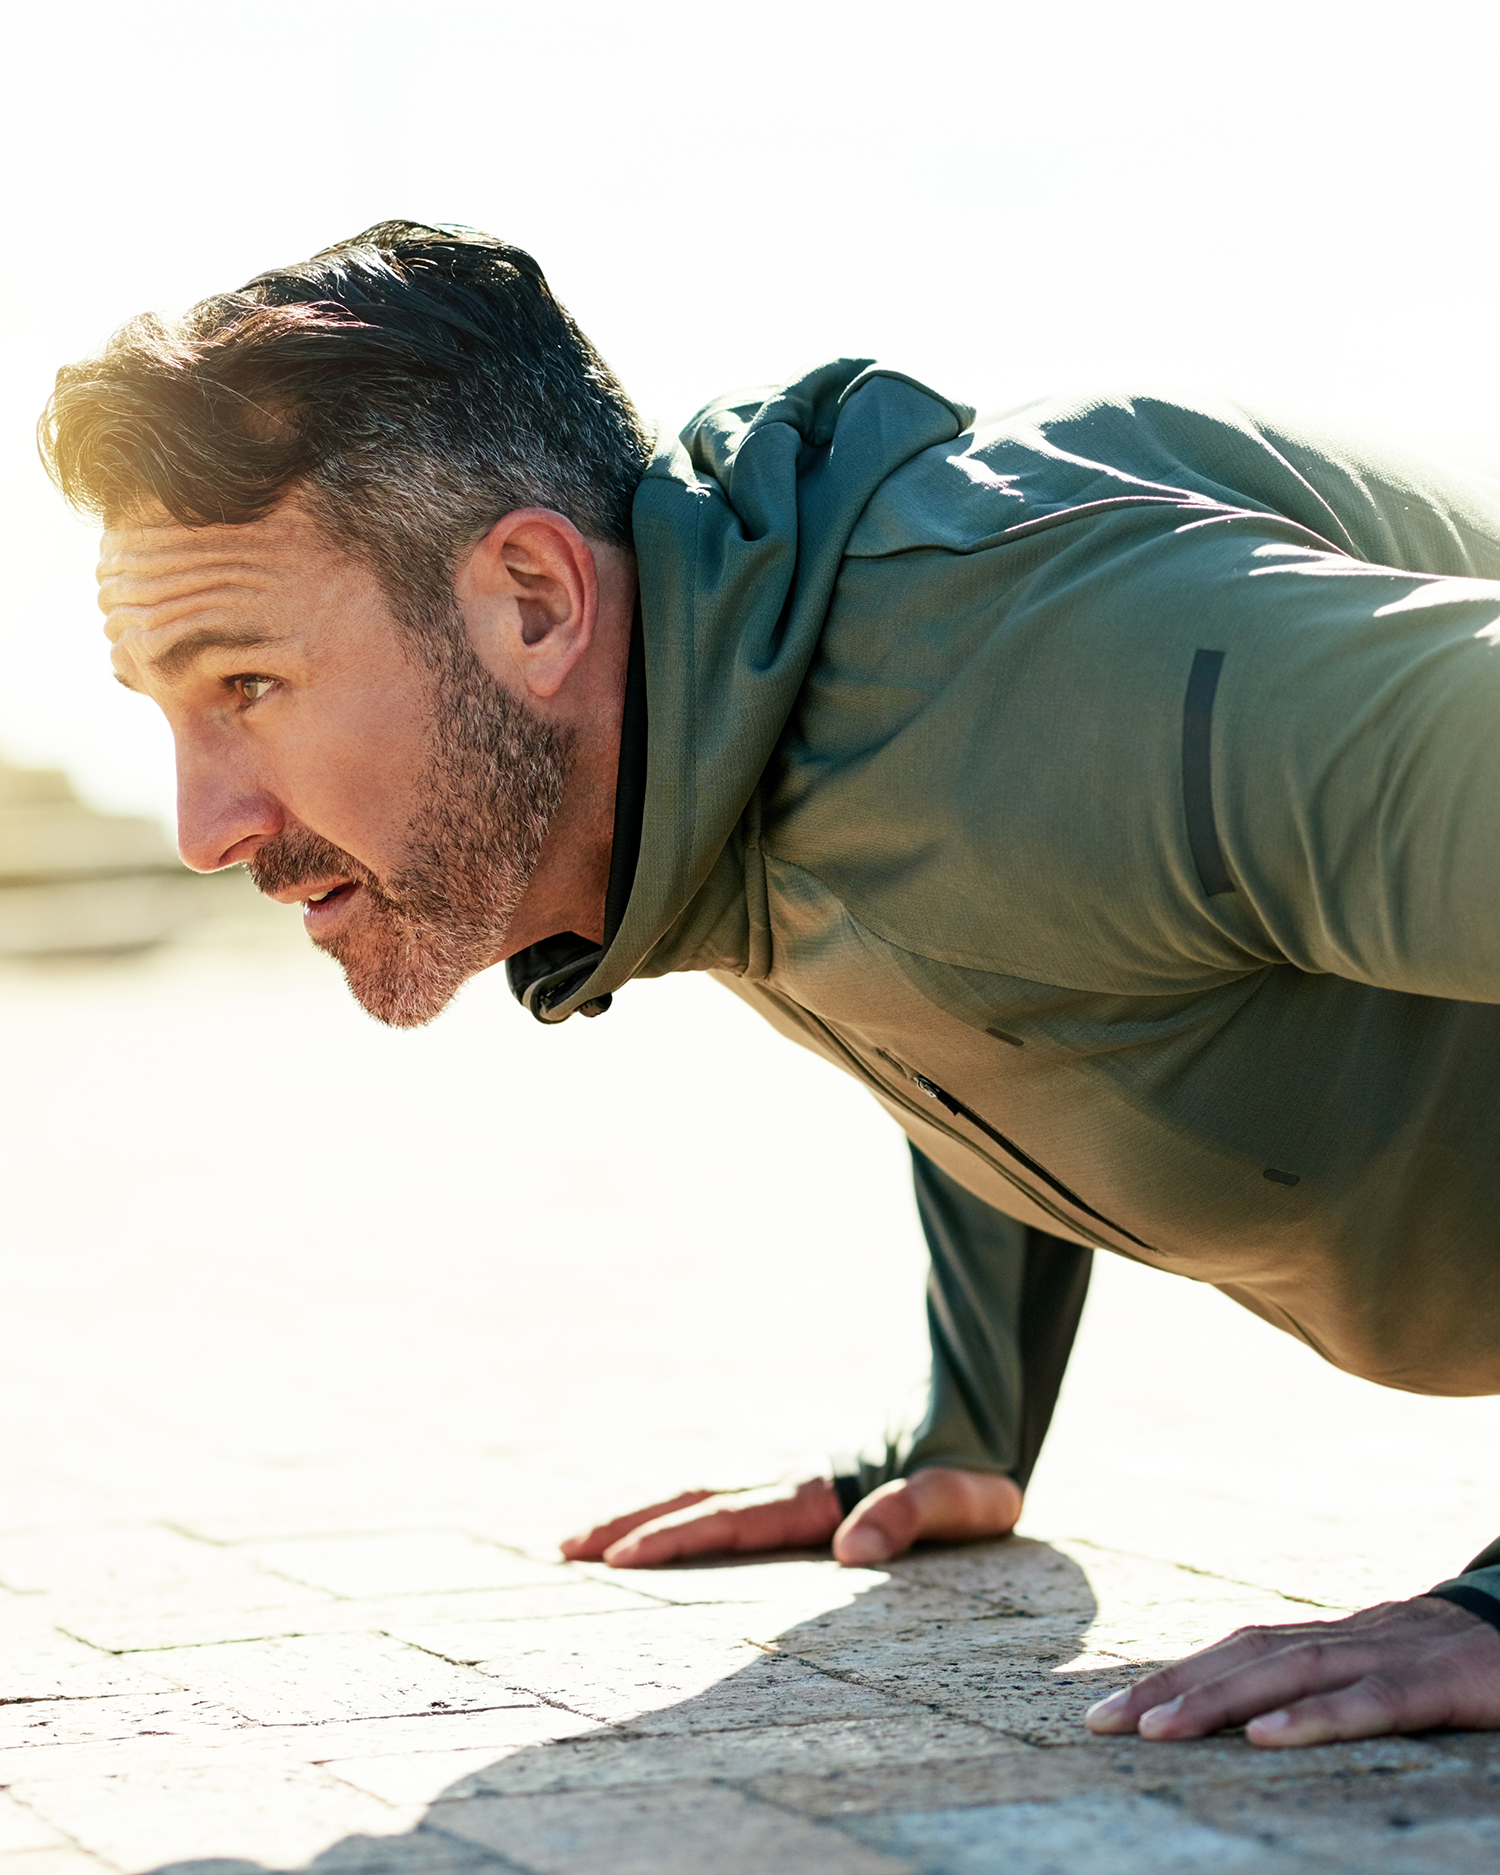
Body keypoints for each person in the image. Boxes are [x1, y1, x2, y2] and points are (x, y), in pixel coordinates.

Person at [41, 220, 1500, 1751]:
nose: (206, 825)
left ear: (533, 602)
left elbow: (1032, 774)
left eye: (247, 687)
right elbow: (976, 932)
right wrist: (971, 1419)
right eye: (172, 713)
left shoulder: (1060, 650)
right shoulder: (717, 742)